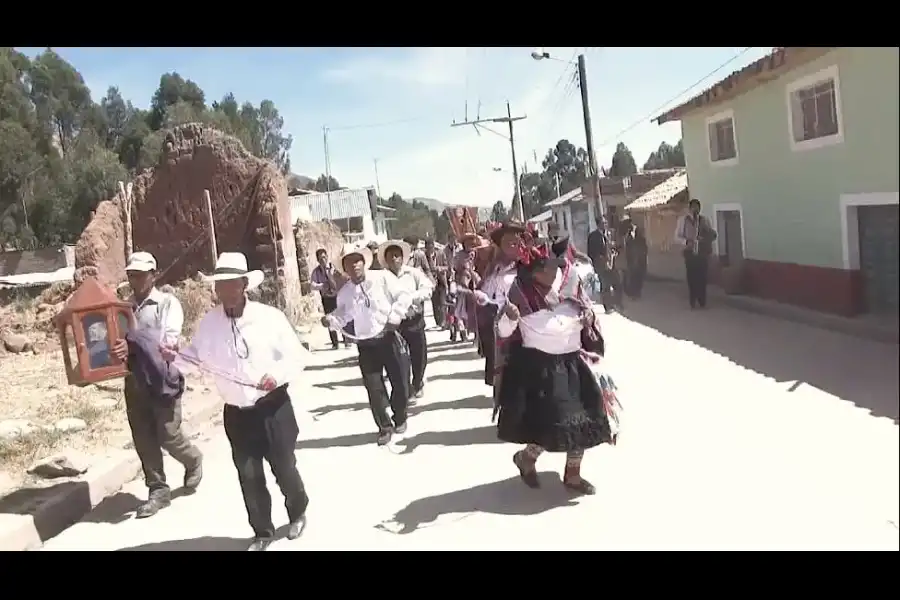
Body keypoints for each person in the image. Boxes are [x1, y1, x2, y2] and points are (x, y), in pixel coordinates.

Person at [161, 252, 310, 551]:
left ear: (244, 285)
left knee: (284, 467)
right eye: (220, 286)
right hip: (237, 415)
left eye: (232, 284)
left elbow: (297, 356)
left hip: (274, 408)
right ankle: (262, 532)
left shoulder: (269, 318)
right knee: (248, 474)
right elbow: (195, 359)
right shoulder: (209, 323)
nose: (226, 291)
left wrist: (275, 375)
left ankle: (298, 511)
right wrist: (174, 356)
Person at [494, 243, 616, 495]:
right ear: (532, 273)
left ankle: (573, 474)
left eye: (554, 267)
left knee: (582, 422)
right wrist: (510, 317)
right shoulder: (519, 297)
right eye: (545, 269)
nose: (552, 273)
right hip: (541, 369)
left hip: (574, 365)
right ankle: (526, 457)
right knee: (551, 425)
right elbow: (504, 333)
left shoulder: (569, 292)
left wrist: (588, 318)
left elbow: (588, 316)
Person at [110, 251, 203, 519]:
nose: (135, 280)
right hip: (135, 381)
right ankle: (158, 489)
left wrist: (135, 341)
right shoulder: (122, 308)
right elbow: (115, 341)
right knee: (143, 437)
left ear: (154, 275)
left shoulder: (167, 304)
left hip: (162, 378)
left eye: (139, 275)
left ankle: (192, 459)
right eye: (131, 275)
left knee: (168, 434)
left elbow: (168, 340)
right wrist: (118, 349)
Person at [322, 245, 413, 446]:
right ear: (344, 267)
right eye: (349, 262)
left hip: (389, 337)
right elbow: (344, 315)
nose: (354, 265)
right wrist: (332, 320)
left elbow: (404, 295)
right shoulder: (345, 293)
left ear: (364, 262)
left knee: (401, 382)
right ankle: (384, 427)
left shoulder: (382, 278)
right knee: (374, 388)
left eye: (357, 260)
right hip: (366, 344)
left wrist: (395, 316)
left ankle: (401, 416)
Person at [379, 239, 434, 401]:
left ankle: (417, 383)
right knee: (399, 359)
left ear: (403, 258)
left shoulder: (413, 273)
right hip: (394, 324)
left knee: (419, 355)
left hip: (414, 320)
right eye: (391, 257)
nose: (394, 259)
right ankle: (405, 388)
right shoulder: (383, 278)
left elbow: (428, 288)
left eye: (397, 256)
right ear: (386, 259)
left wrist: (412, 298)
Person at [474, 222, 524, 396]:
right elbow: (488, 292)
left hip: (527, 326)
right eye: (508, 241)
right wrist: (482, 298)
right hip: (501, 326)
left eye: (516, 241)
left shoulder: (528, 266)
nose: (514, 245)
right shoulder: (495, 268)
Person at [674, 198, 717, 309]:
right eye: (693, 208)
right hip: (689, 252)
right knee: (692, 277)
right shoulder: (683, 220)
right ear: (690, 208)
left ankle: (702, 300)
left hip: (702, 252)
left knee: (702, 277)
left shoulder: (704, 220)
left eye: (697, 208)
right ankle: (693, 299)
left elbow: (711, 234)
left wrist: (705, 236)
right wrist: (686, 241)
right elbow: (677, 237)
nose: (695, 210)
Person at [310, 248, 349, 349]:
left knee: (342, 318)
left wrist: (335, 276)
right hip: (327, 298)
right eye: (320, 258)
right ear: (318, 260)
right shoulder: (316, 271)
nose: (323, 260)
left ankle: (346, 340)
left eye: (324, 257)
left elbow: (343, 277)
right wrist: (322, 286)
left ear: (327, 257)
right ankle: (335, 343)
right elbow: (312, 285)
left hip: (338, 296)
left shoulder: (334, 267)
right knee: (329, 319)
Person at [424, 237, 449, 329]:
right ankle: (438, 321)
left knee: (443, 302)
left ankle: (443, 321)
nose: (430, 248)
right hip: (430, 283)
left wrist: (440, 268)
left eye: (431, 246)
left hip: (441, 281)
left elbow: (447, 266)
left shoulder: (440, 254)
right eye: (428, 246)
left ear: (434, 246)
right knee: (435, 303)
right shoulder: (424, 256)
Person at [622, 218, 648, 299]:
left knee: (638, 278)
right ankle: (634, 293)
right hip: (635, 263)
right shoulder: (632, 241)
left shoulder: (641, 240)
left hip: (640, 262)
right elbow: (629, 252)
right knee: (634, 278)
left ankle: (636, 293)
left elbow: (645, 251)